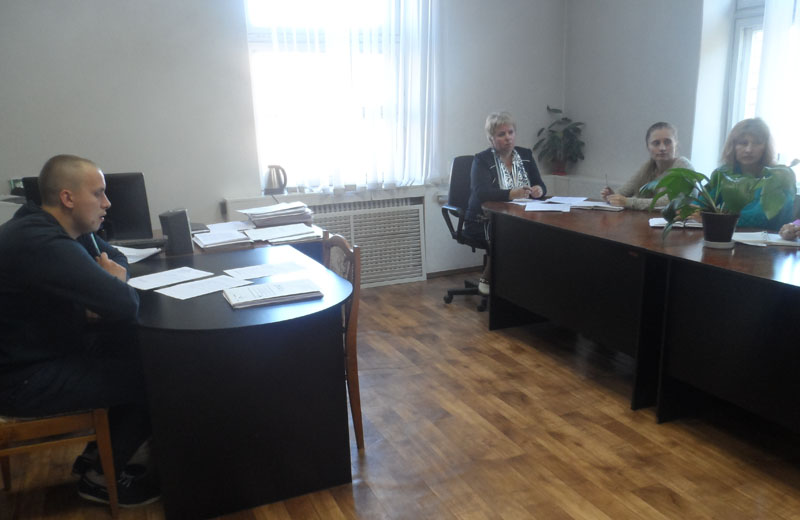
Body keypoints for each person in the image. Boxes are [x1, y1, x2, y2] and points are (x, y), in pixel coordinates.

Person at [0, 155, 159, 506]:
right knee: (154, 377)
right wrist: (111, 284)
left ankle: (97, 456)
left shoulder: (61, 228)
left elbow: (118, 259)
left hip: (45, 351)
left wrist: (110, 281)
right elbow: (123, 304)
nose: (108, 203)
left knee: (132, 348)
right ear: (68, 198)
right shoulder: (40, 241)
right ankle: (100, 479)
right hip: (21, 378)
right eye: (98, 193)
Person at [465, 111, 546, 295]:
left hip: (521, 216)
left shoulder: (525, 155)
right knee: (510, 234)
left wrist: (539, 190)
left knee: (541, 234)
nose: (508, 138)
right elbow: (481, 192)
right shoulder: (482, 159)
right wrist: (511, 193)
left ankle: (528, 285)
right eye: (501, 134)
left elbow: (540, 184)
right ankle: (489, 278)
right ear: (491, 139)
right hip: (481, 220)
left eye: (511, 132)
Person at [708, 118, 796, 230]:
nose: (749, 150)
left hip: (769, 238)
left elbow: (770, 218)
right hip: (725, 236)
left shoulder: (778, 175)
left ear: (765, 147)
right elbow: (701, 208)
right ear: (733, 146)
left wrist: (716, 219)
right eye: (743, 143)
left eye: (757, 143)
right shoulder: (722, 174)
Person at [601, 122, 693, 209]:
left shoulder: (683, 165)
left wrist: (628, 202)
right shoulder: (648, 166)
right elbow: (624, 191)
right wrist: (611, 196)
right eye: (656, 143)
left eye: (667, 142)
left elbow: (669, 201)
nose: (662, 148)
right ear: (648, 147)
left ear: (676, 144)